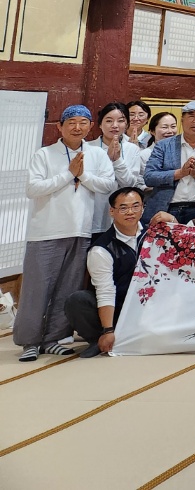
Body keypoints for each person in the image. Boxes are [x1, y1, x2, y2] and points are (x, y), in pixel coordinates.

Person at [15, 105, 116, 361]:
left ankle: (53, 339)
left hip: (81, 230)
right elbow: (33, 189)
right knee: (37, 290)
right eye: (71, 122)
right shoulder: (44, 154)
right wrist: (68, 174)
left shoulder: (97, 154)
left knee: (68, 289)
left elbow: (108, 185)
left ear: (90, 126)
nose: (77, 127)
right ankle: (29, 341)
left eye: (83, 122)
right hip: (45, 232)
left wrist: (84, 176)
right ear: (60, 126)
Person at [65, 189, 175, 357]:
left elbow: (185, 250)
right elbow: (105, 291)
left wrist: (173, 220)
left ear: (143, 209)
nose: (130, 212)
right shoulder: (101, 249)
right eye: (123, 208)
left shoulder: (154, 235)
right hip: (118, 307)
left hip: (150, 307)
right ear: (112, 211)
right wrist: (108, 330)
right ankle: (100, 339)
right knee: (78, 300)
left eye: (135, 206)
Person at [92, 103, 141, 232]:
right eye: (109, 121)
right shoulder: (89, 148)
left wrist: (117, 160)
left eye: (120, 121)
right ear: (100, 124)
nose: (115, 125)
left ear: (127, 124)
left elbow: (130, 184)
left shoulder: (133, 149)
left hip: (122, 213)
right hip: (94, 210)